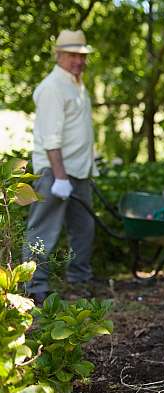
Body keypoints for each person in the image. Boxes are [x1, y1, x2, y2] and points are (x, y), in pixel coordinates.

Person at [23, 29, 98, 303]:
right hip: (56, 173)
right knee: (44, 229)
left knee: (83, 228)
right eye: (72, 55)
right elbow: (51, 137)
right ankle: (33, 287)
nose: (78, 60)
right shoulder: (52, 87)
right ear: (59, 55)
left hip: (79, 172)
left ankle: (79, 280)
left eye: (81, 55)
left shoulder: (76, 84)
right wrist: (60, 176)